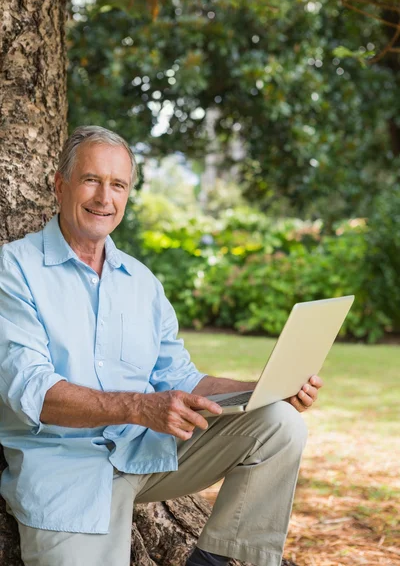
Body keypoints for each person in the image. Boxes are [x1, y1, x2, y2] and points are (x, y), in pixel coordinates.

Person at [0, 126, 322, 566]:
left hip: (144, 453)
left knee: (280, 423)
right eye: (91, 180)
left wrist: (264, 387)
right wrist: (138, 407)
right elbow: (31, 391)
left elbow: (182, 380)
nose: (104, 198)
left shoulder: (142, 283)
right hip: (65, 472)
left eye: (118, 185)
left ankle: (214, 562)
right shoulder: (14, 270)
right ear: (61, 185)